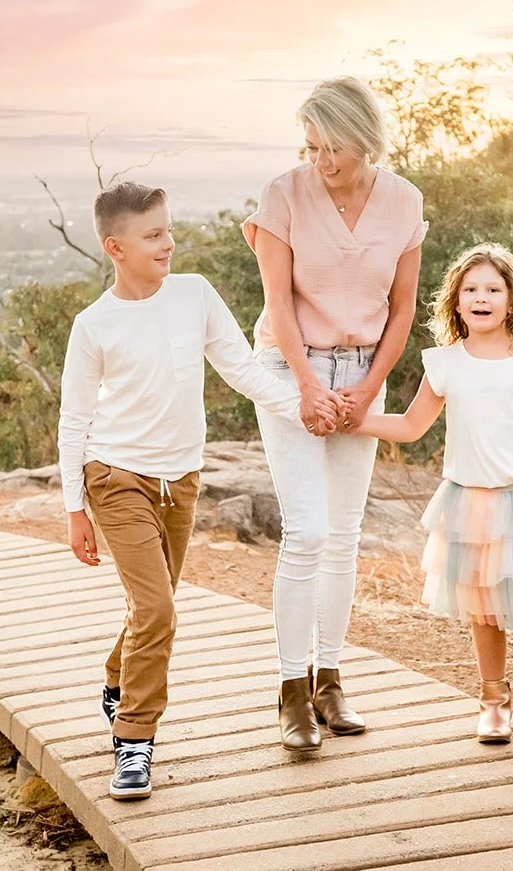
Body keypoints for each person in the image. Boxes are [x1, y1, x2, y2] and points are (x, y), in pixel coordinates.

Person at [59, 180, 343, 800]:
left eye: (168, 230)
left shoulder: (195, 296)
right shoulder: (94, 325)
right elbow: (75, 419)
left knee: (150, 604)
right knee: (158, 609)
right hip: (115, 478)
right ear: (116, 247)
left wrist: (307, 406)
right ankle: (134, 743)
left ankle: (116, 680)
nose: (169, 243)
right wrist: (74, 508)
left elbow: (242, 371)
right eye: (153, 235)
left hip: (180, 481)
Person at [352, 243, 513, 755]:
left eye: (493, 289)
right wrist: (353, 420)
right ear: (455, 303)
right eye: (470, 290)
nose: (481, 297)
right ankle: (493, 702)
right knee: (485, 612)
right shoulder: (446, 364)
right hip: (470, 502)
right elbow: (410, 426)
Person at [242, 76, 426, 751]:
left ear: (365, 140)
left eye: (334, 147)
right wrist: (306, 387)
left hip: (362, 376)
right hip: (290, 370)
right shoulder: (283, 195)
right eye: (311, 145)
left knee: (345, 537)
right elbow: (280, 304)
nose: (321, 160)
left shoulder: (404, 202)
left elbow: (403, 309)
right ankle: (291, 691)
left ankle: (330, 681)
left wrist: (369, 387)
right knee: (308, 532)